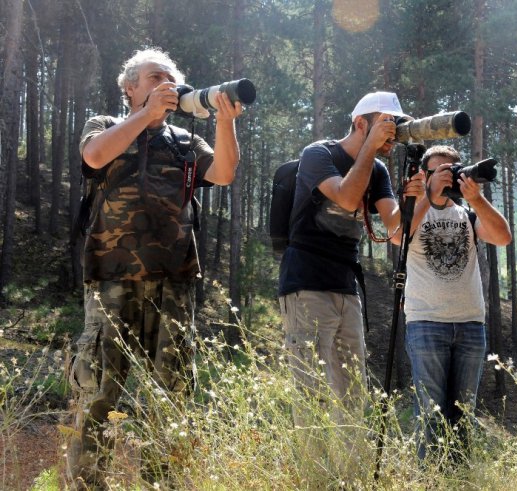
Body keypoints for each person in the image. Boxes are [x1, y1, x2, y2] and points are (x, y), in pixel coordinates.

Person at [66, 48, 242, 489]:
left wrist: (224, 120)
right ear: (130, 88)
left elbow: (222, 173)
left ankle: (163, 483)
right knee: (100, 391)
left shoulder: (185, 141)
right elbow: (94, 157)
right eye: (153, 77)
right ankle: (89, 484)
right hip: (112, 279)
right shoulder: (106, 125)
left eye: (170, 78)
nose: (165, 84)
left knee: (172, 393)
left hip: (174, 282)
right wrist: (144, 116)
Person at [278, 91, 423, 422]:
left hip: (346, 286)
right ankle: (313, 473)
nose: (393, 135)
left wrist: (422, 196)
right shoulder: (318, 154)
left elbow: (398, 232)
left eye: (397, 126)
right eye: (387, 125)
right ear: (361, 123)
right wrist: (370, 148)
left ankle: (349, 471)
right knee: (311, 391)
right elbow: (345, 197)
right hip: (306, 283)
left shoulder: (379, 170)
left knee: (353, 393)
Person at [403, 145, 511, 461]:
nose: (449, 176)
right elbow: (399, 235)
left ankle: (459, 479)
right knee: (431, 416)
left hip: (470, 323)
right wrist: (429, 194)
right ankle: (429, 479)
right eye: (441, 171)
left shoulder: (468, 213)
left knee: (464, 417)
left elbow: (503, 237)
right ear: (425, 174)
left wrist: (475, 197)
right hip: (425, 321)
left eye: (453, 169)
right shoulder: (414, 208)